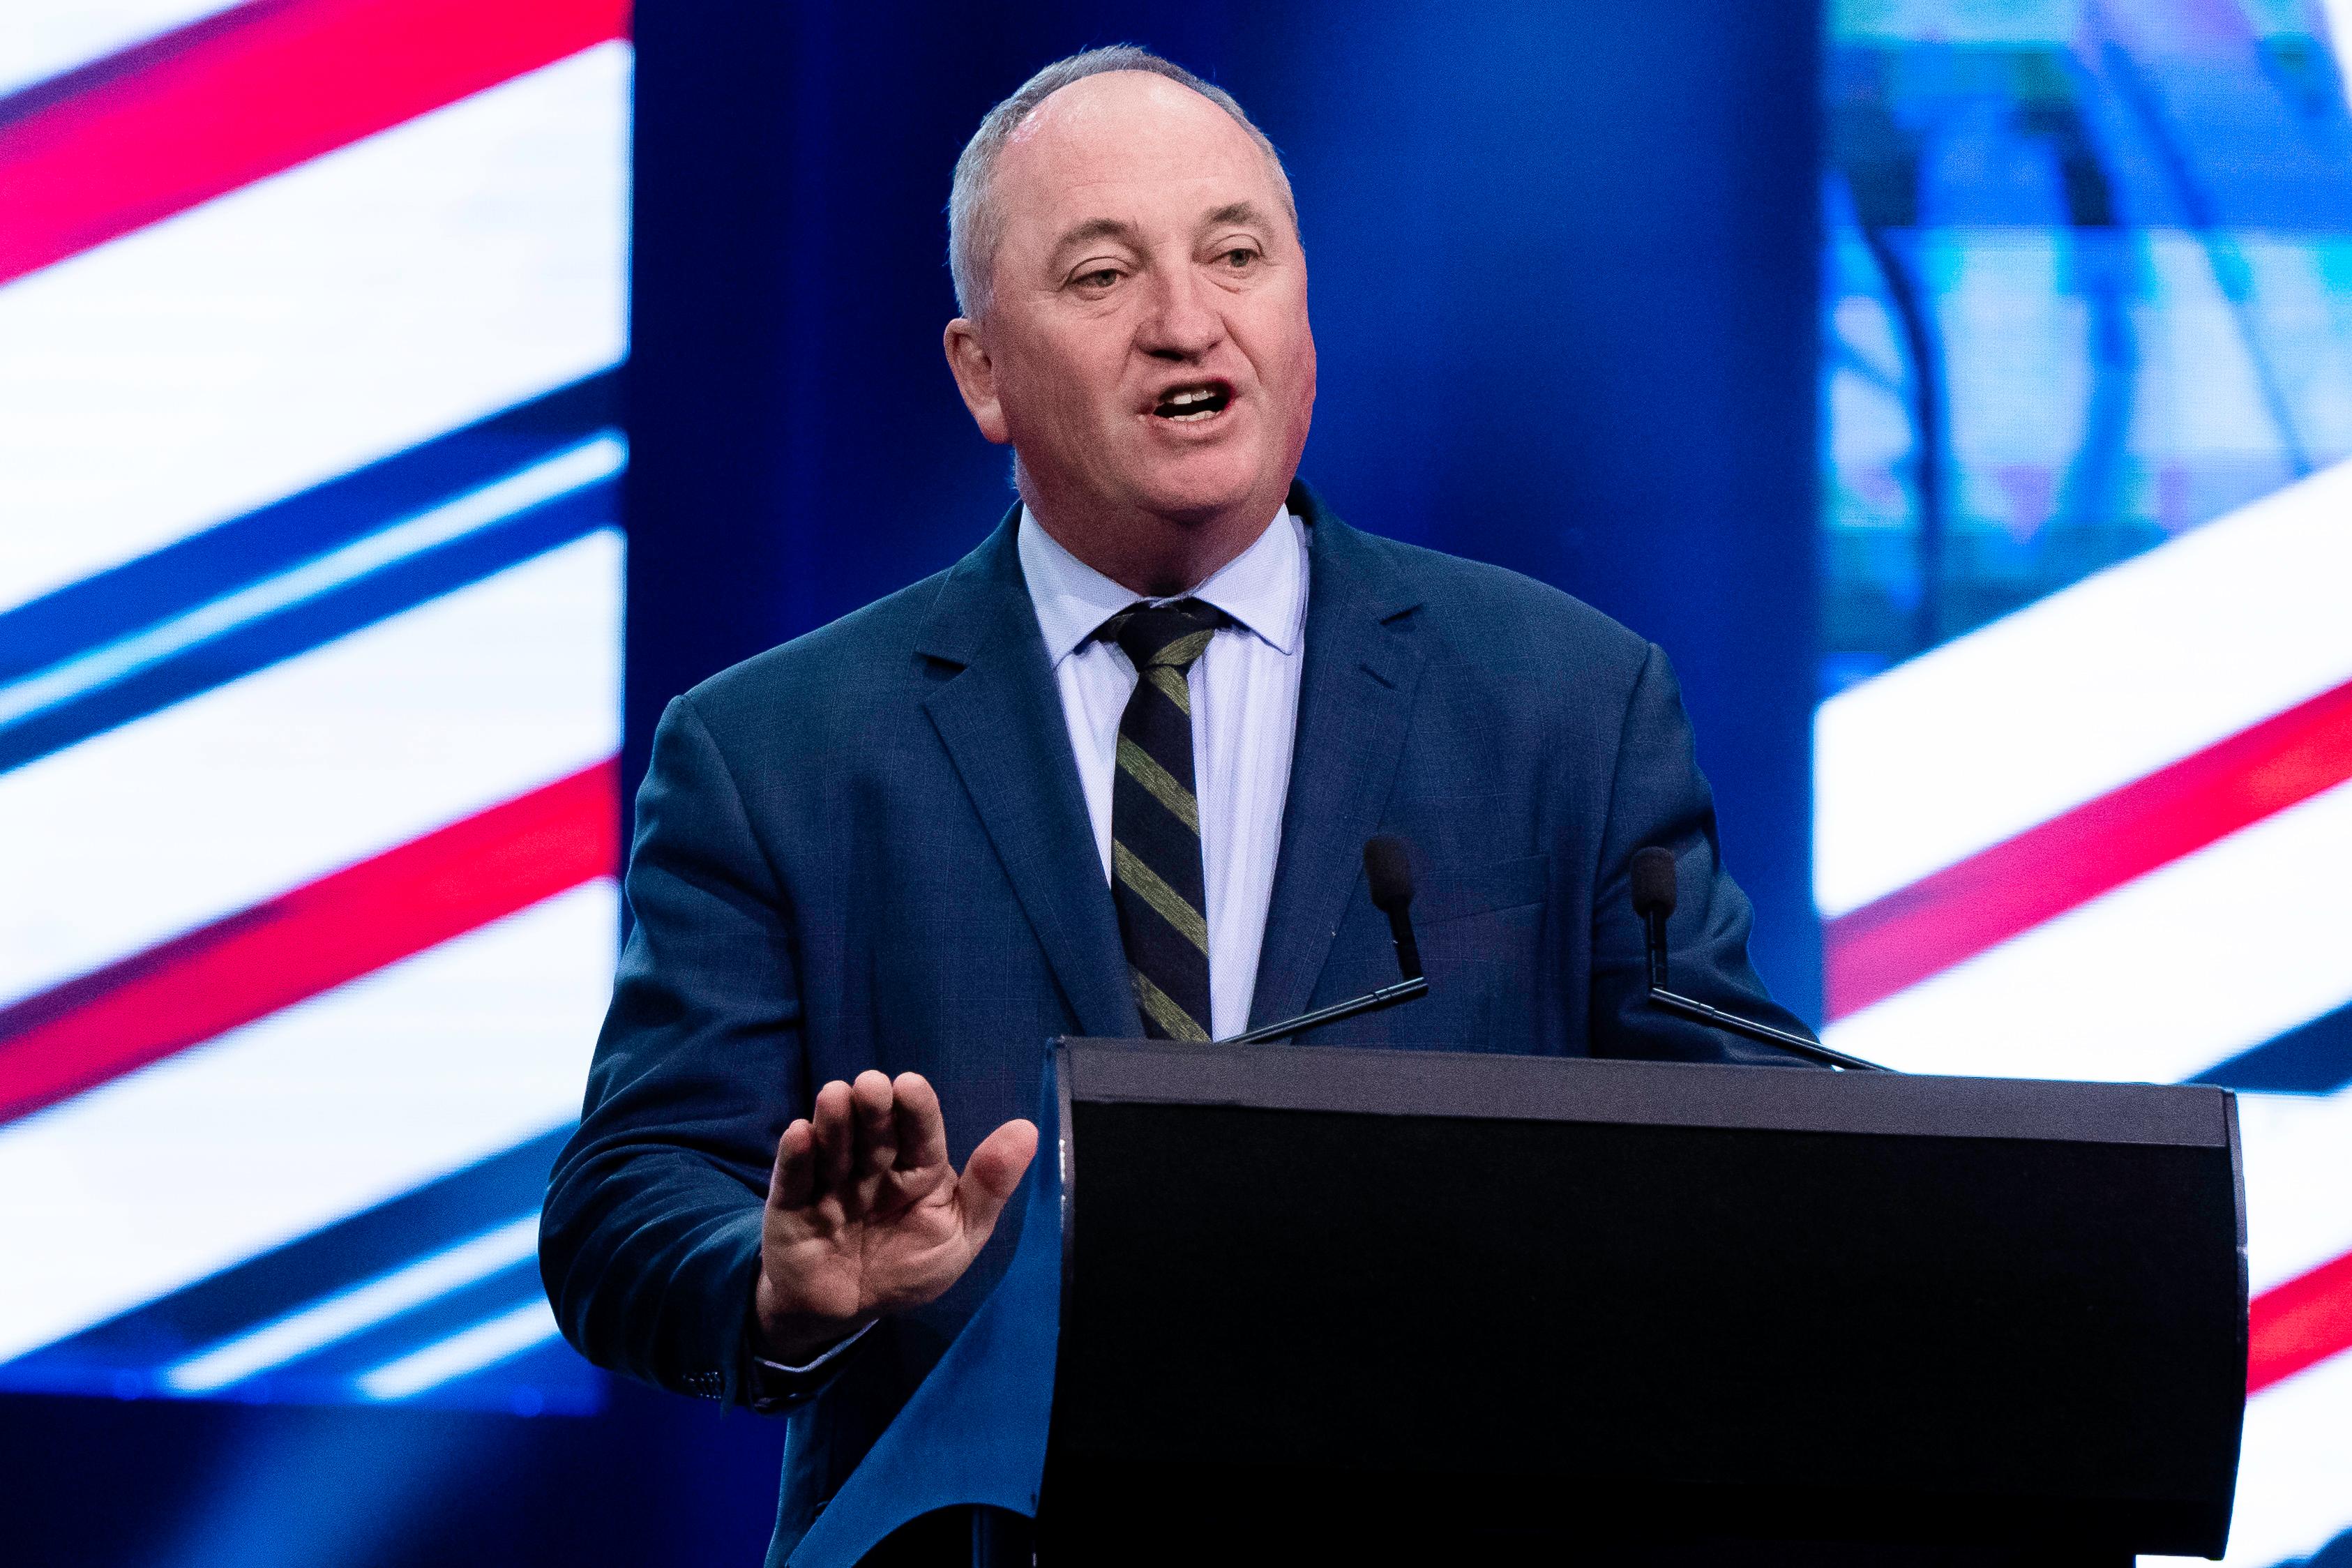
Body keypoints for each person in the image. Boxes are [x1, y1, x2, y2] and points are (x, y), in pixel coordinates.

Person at [541, 44, 1814, 1565]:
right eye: (1101, 275)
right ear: (981, 371)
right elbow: (627, 1191)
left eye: (1236, 254)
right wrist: (779, 1274)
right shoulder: (779, 750)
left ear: (1304, 320)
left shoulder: (1564, 702)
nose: (1186, 321)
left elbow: (1754, 1152)